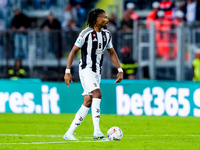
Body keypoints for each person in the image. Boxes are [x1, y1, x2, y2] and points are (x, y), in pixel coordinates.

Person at [63, 8, 123, 140]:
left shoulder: (107, 35)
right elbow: (73, 51)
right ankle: (97, 131)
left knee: (88, 101)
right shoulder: (86, 33)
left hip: (97, 72)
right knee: (97, 93)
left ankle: (69, 133)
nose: (107, 20)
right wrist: (67, 71)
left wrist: (119, 69)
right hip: (86, 70)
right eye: (104, 17)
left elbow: (112, 52)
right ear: (97, 20)